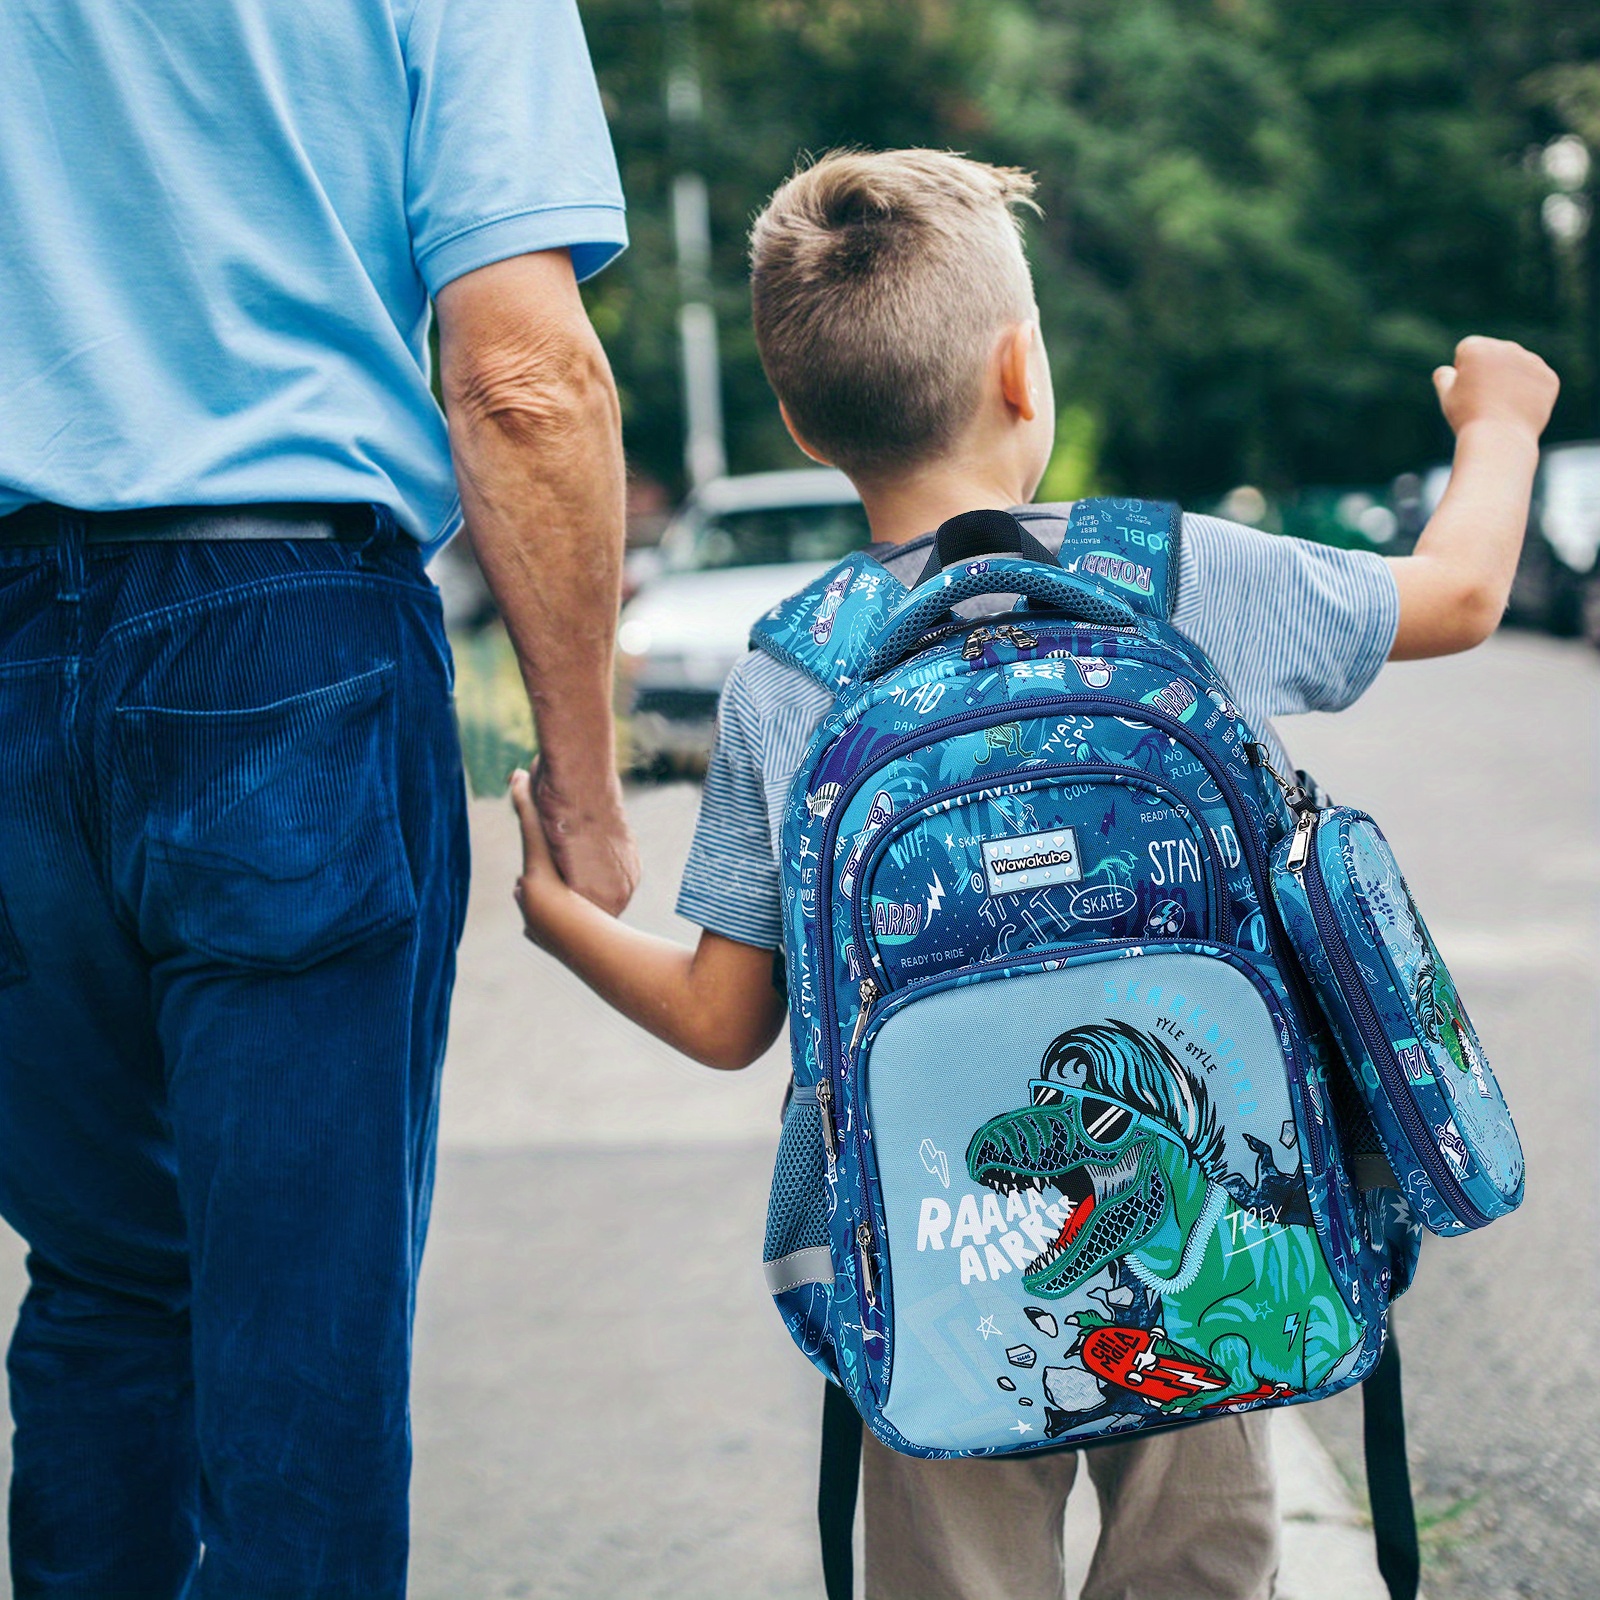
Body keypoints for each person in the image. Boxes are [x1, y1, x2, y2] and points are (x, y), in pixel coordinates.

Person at [512, 149, 1558, 1600]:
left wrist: (558, 920)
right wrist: (1499, 421)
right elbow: (1464, 595)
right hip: (1211, 1222)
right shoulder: (1172, 577)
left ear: (806, 427)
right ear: (1023, 370)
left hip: (921, 1248)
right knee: (1198, 1561)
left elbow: (723, 1018)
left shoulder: (791, 669)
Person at [0, 2, 637, 1594]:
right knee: (304, 1348)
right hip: (285, 627)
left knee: (101, 1290)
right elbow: (520, 376)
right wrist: (581, 768)